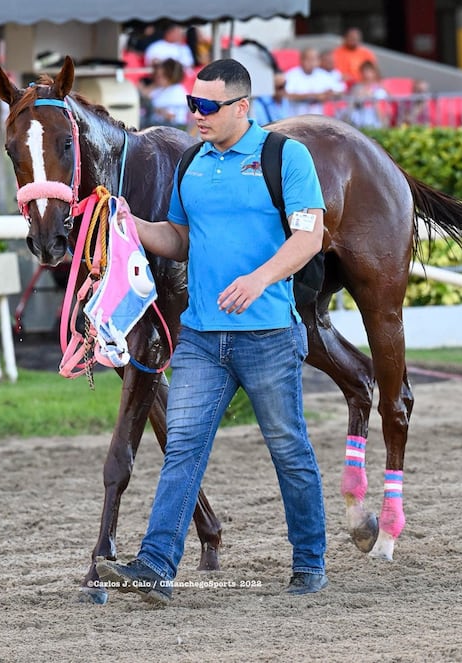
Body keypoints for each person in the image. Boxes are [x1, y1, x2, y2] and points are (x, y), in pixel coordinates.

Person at [96, 58, 328, 605]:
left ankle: (309, 560)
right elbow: (178, 238)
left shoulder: (286, 157)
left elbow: (310, 237)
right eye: (191, 104)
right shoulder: (192, 163)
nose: (194, 115)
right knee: (183, 449)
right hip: (201, 337)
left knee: (288, 448)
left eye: (207, 105)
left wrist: (260, 278)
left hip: (269, 333)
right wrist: (129, 223)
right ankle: (157, 564)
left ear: (241, 107)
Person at [284, 47, 342, 116]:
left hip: (318, 119)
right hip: (296, 118)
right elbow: (286, 95)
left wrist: (329, 94)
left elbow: (339, 91)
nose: (311, 62)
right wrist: (313, 96)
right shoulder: (291, 75)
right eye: (309, 59)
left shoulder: (323, 74)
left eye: (314, 59)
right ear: (301, 60)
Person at [140, 58, 191, 129]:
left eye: (161, 76)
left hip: (170, 128)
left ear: (170, 76)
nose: (157, 78)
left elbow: (172, 116)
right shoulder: (159, 89)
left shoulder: (178, 91)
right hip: (152, 125)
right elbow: (143, 97)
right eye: (157, 76)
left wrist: (156, 110)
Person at [347, 60, 390, 128]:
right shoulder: (358, 87)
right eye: (364, 72)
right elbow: (353, 103)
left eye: (369, 71)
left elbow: (388, 101)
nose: (367, 74)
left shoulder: (381, 87)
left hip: (379, 116)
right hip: (362, 116)